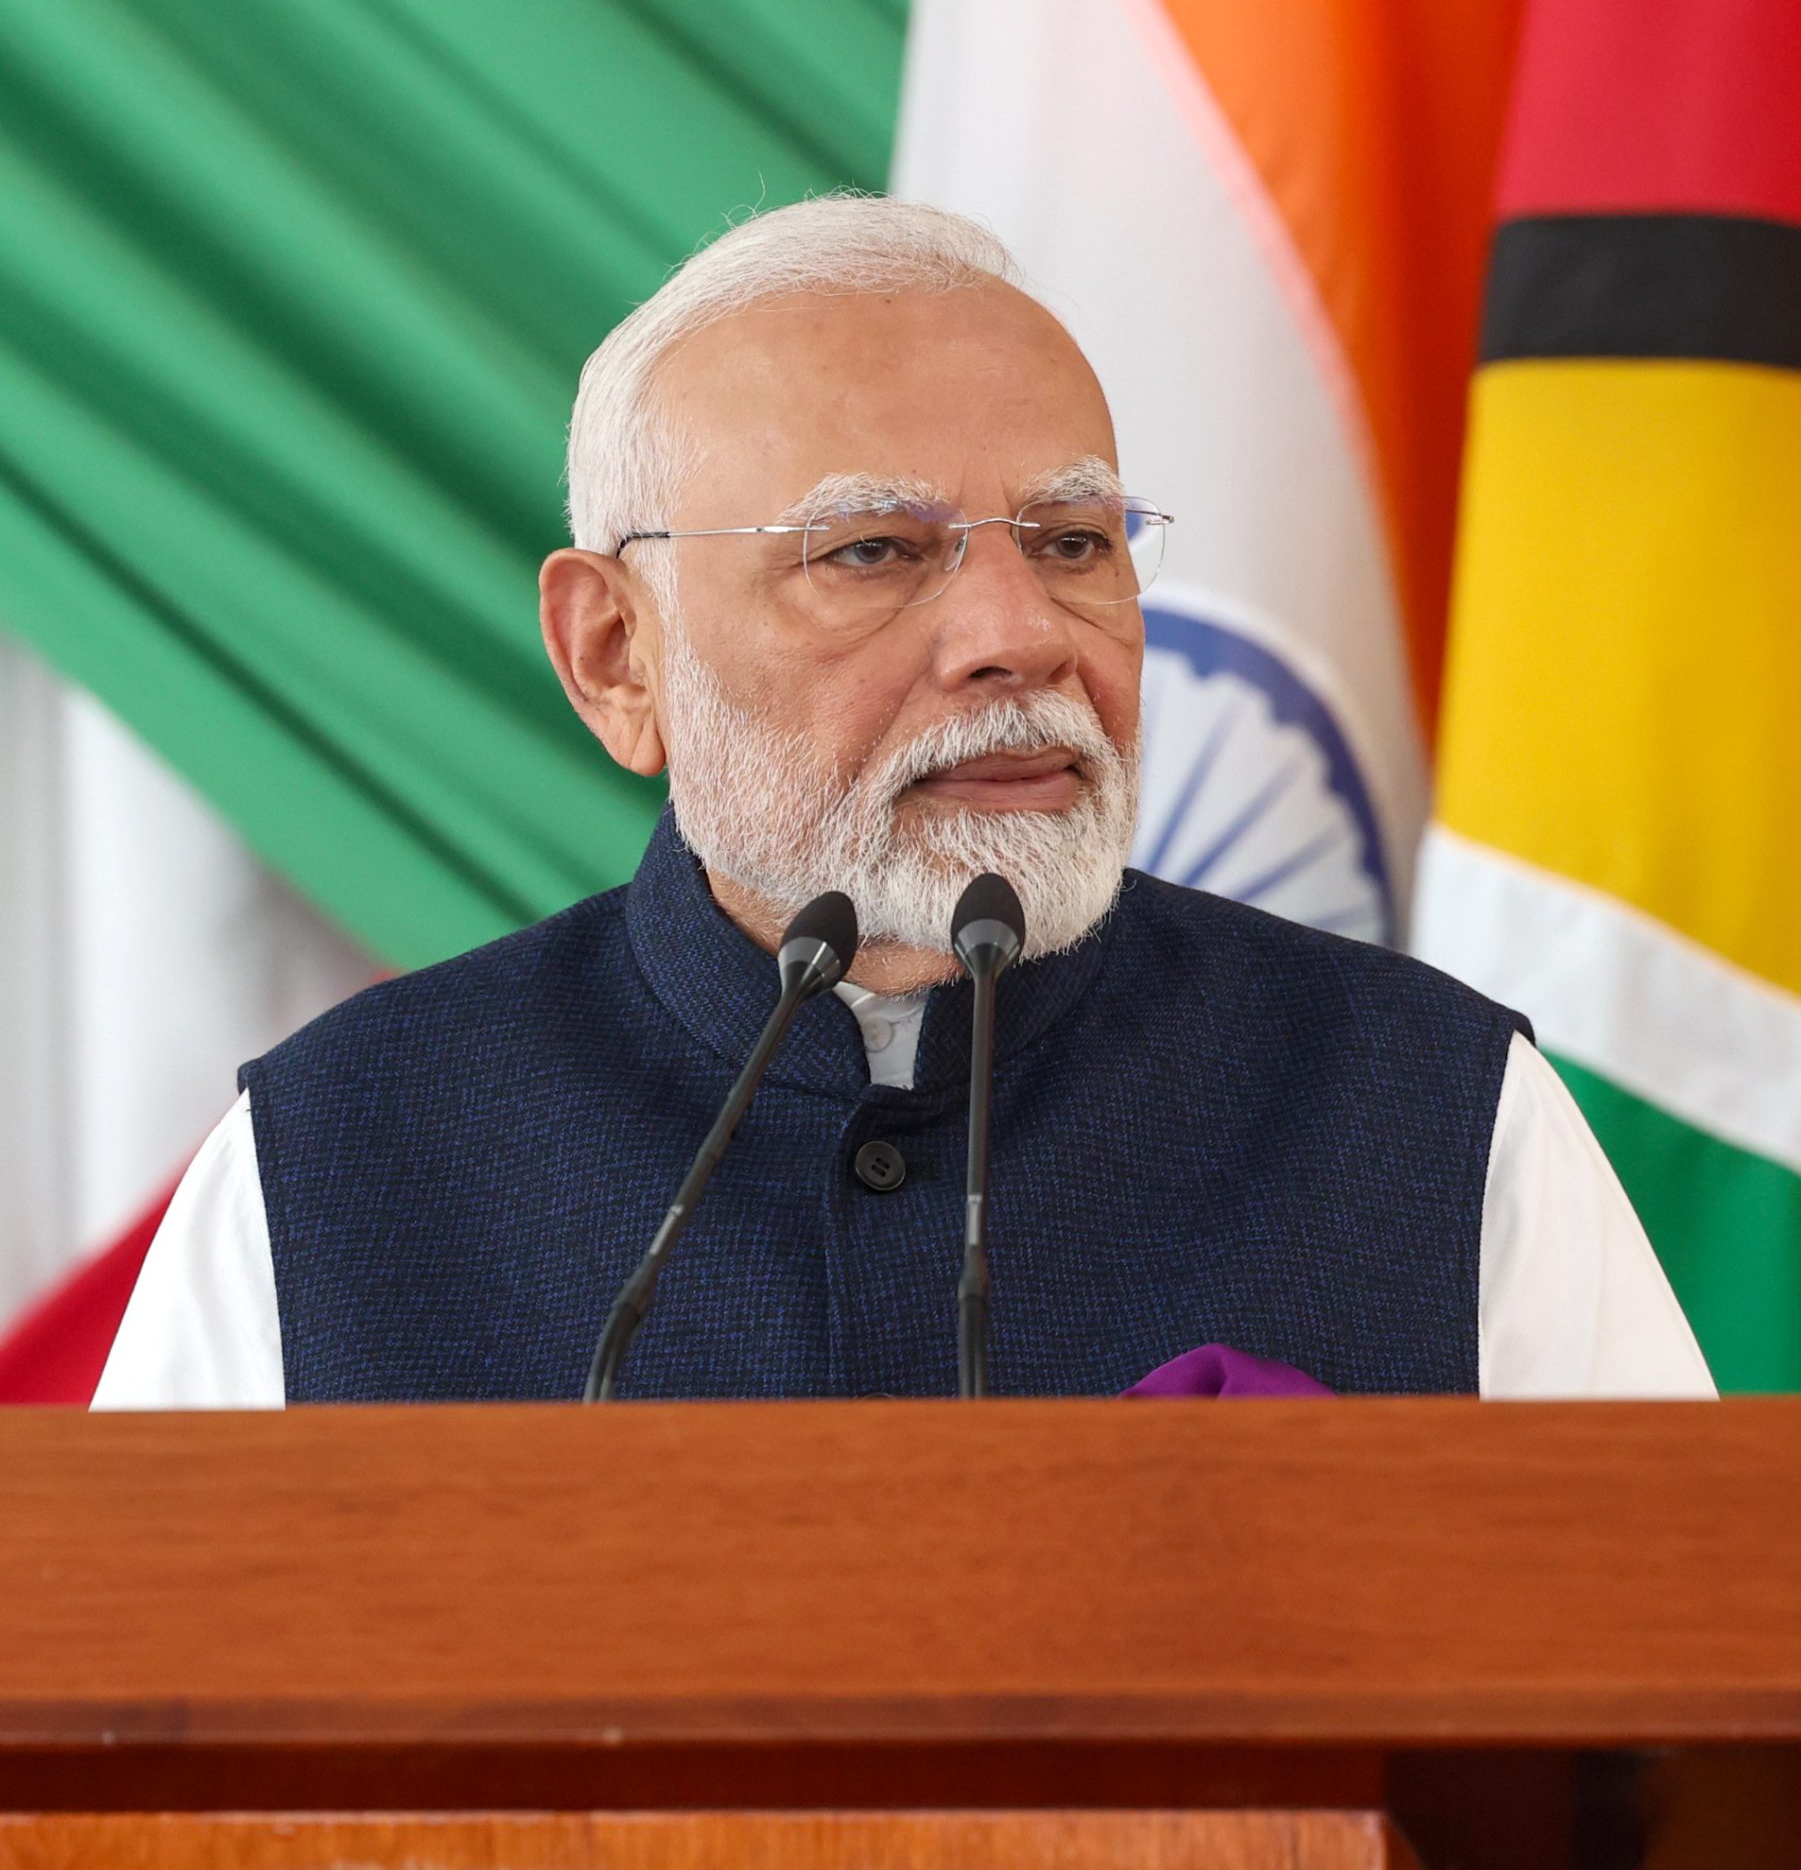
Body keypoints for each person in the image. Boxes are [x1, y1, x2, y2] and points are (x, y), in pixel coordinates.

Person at [96, 198, 1712, 1406]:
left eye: (1072, 542)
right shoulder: (341, 1159)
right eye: (873, 551)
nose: (1019, 635)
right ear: (614, 655)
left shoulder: (1424, 1114)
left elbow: (1683, 1755)